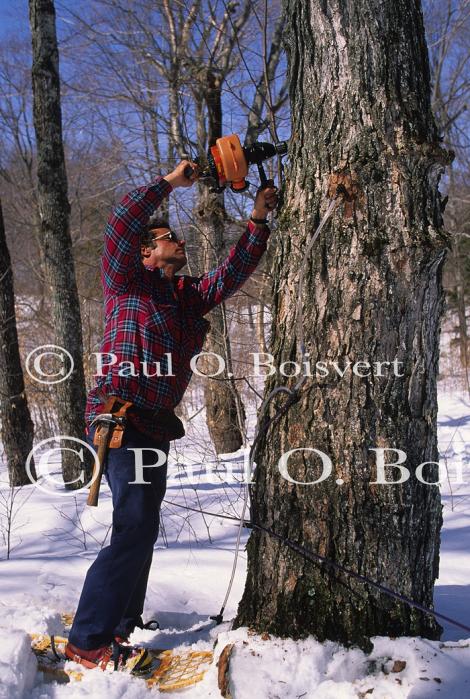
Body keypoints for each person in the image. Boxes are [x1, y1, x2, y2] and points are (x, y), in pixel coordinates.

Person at [65, 160, 278, 670]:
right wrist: (167, 185)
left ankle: (121, 623)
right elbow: (121, 221)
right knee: (134, 525)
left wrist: (257, 220)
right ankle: (89, 639)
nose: (178, 241)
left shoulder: (185, 298)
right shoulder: (124, 281)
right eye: (167, 237)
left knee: (142, 525)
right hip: (120, 419)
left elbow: (230, 275)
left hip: (155, 427)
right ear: (145, 251)